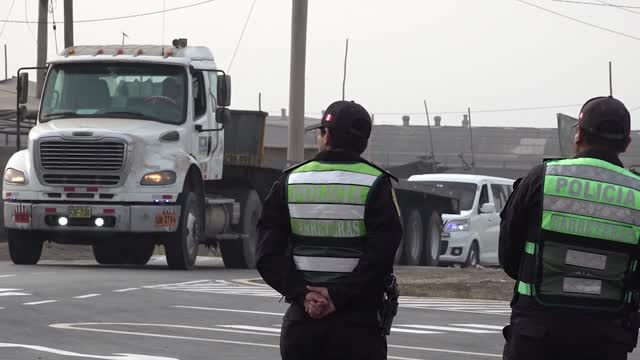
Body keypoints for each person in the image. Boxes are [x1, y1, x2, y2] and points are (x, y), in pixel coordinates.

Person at [256, 100, 403, 360]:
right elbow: (381, 256)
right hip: (358, 328)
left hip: (303, 326)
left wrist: (303, 295)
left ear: (327, 136)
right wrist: (337, 297)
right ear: (363, 142)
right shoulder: (377, 184)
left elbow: (267, 255)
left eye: (321, 131)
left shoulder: (290, 181)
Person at [499, 96, 640, 360]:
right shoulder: (637, 193)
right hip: (607, 341)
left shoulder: (541, 178)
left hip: (536, 336)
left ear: (578, 135)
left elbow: (509, 258)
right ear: (626, 143)